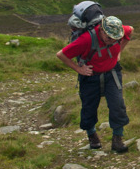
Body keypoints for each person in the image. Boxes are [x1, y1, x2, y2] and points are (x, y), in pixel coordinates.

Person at [56, 16, 133, 153]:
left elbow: (130, 30)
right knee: (89, 107)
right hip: (90, 77)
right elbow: (61, 54)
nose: (112, 40)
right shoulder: (86, 39)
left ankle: (117, 139)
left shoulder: (119, 33)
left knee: (118, 104)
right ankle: (92, 135)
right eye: (109, 37)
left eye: (115, 38)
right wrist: (79, 69)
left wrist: (119, 52)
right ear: (101, 30)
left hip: (112, 74)